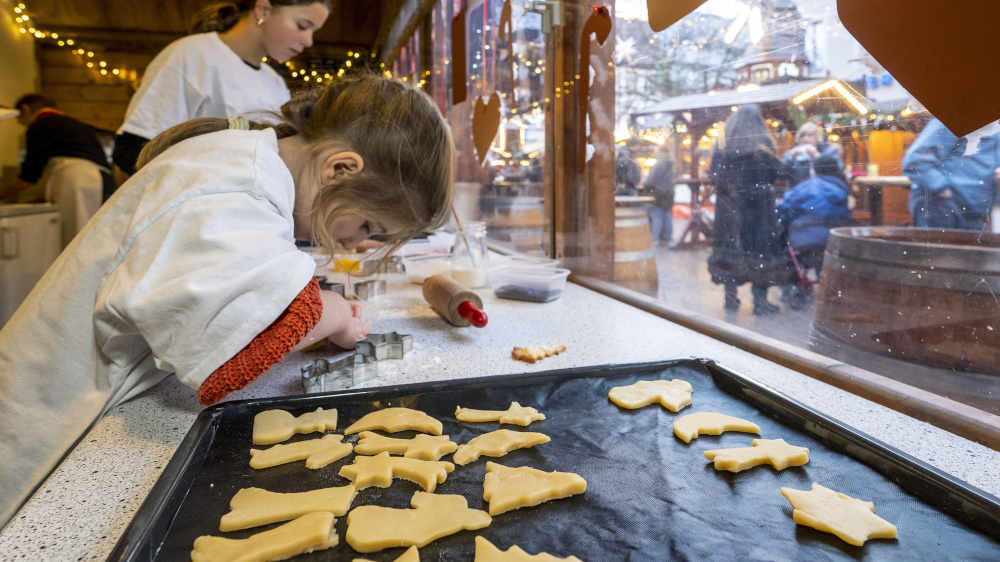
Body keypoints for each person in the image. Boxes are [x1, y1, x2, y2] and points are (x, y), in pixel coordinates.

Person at [0, 75, 454, 526]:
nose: (357, 244)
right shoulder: (237, 187)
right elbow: (233, 349)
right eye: (369, 228)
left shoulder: (244, 162)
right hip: (43, 436)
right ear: (339, 170)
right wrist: (333, 314)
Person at [112, 0, 331, 176]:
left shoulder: (276, 83)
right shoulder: (191, 55)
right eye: (303, 26)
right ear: (263, 9)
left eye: (315, 31)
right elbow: (133, 150)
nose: (309, 41)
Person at [707, 105, 792, 315]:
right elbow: (778, 173)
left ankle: (730, 299)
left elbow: (713, 175)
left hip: (729, 210)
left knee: (730, 252)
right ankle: (760, 303)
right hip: (758, 211)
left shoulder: (722, 149)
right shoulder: (761, 149)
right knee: (759, 254)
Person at [0, 94, 114, 247]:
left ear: (25, 109)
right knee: (94, 237)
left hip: (78, 180)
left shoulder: (41, 125)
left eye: (20, 120)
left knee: (76, 241)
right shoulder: (75, 124)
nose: (22, 124)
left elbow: (28, 177)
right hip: (101, 180)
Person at [777, 154, 851, 309]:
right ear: (837, 171)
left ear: (814, 170)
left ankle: (790, 289)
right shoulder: (841, 191)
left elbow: (784, 209)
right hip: (829, 241)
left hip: (801, 240)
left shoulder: (803, 187)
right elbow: (844, 219)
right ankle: (828, 289)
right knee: (824, 257)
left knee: (784, 247)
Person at [903, 118, 1000, 230]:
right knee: (939, 247)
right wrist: (942, 188)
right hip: (944, 206)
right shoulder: (956, 120)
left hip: (975, 210)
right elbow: (916, 160)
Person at [781, 121, 844, 187]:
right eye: (802, 136)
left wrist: (817, 157)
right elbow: (780, 176)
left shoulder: (829, 152)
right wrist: (790, 160)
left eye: (809, 135)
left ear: (817, 138)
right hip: (798, 194)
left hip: (822, 192)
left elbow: (839, 170)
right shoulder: (790, 154)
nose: (805, 138)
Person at [642, 144, 675, 245]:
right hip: (669, 192)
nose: (655, 153)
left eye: (656, 151)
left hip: (658, 192)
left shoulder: (659, 163)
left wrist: (645, 184)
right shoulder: (672, 162)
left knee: (657, 216)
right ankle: (669, 239)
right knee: (667, 215)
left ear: (660, 152)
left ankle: (655, 239)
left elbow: (651, 180)